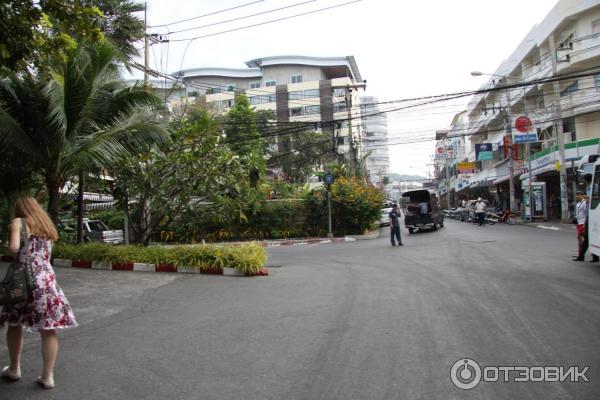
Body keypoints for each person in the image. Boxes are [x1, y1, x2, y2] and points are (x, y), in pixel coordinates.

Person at [1, 196, 77, 389]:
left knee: (15, 323)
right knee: (48, 329)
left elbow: (15, 249)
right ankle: (47, 376)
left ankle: (15, 369)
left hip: (23, 281)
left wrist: (7, 247)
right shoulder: (46, 225)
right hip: (46, 280)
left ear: (19, 209)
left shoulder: (18, 222)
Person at [574, 191, 588, 261]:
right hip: (579, 222)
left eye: (578, 195)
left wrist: (585, 223)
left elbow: (586, 213)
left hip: (583, 222)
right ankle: (580, 252)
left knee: (581, 237)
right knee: (579, 238)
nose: (577, 197)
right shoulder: (578, 203)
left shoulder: (584, 203)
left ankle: (581, 252)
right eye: (576, 195)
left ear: (582, 195)